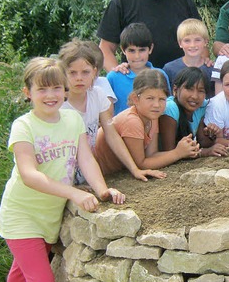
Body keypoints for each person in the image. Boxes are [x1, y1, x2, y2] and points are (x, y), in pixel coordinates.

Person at [0, 58, 125, 282]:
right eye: (42, 88)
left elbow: (85, 158)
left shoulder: (70, 120)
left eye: (56, 87)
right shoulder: (24, 127)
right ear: (28, 92)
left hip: (48, 218)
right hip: (22, 216)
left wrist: (102, 189)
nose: (51, 94)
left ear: (65, 91)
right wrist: (73, 193)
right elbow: (30, 174)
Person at [58, 39, 166, 183]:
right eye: (72, 73)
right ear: (62, 73)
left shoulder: (97, 95)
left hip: (86, 170)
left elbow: (111, 133)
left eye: (85, 72)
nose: (79, 78)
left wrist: (134, 169)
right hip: (62, 173)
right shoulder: (59, 104)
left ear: (94, 72)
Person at [94, 69, 201, 175]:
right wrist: (177, 153)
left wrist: (184, 150)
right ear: (135, 98)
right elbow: (141, 164)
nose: (156, 105)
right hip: (99, 173)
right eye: (150, 98)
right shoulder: (132, 121)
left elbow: (152, 155)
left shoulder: (152, 117)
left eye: (162, 99)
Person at [159, 67, 228, 157]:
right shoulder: (171, 108)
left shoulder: (201, 106)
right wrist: (204, 152)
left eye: (201, 91)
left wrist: (211, 134)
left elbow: (202, 142)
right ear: (175, 90)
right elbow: (170, 151)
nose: (195, 96)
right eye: (189, 89)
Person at [107, 23, 170, 115]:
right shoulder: (113, 77)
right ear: (123, 50)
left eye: (142, 50)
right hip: (121, 128)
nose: (137, 56)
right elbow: (106, 112)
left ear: (150, 48)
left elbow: (167, 105)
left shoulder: (160, 75)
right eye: (131, 50)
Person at [162, 19, 214, 92]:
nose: (192, 45)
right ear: (180, 43)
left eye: (197, 40)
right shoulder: (169, 69)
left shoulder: (212, 69)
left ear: (205, 41)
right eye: (187, 41)